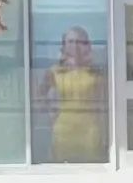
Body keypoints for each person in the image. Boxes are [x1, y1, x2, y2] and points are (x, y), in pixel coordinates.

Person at [38, 21, 106, 163]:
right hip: (63, 131)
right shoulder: (55, 71)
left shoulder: (96, 73)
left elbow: (105, 104)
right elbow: (39, 94)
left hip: (89, 131)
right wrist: (50, 112)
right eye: (70, 41)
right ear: (64, 45)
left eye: (79, 41)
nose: (75, 45)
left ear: (86, 45)